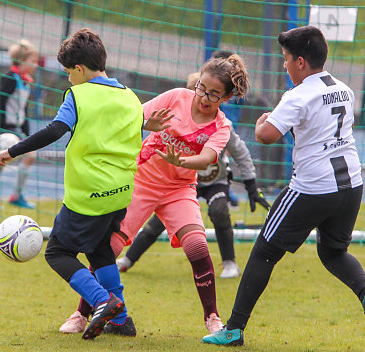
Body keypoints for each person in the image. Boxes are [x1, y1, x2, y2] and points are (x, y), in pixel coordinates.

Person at [202, 26, 365, 346]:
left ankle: (233, 329)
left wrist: (263, 120)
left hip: (311, 188)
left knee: (263, 252)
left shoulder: (298, 95)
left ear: (301, 62)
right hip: (351, 186)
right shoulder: (344, 89)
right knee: (333, 252)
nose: (283, 65)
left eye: (286, 59)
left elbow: (266, 136)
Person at [0, 28, 170, 341]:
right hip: (121, 193)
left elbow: (55, 130)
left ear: (79, 69)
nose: (68, 80)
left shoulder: (78, 94)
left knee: (58, 253)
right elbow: (132, 125)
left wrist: (12, 150)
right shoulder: (130, 96)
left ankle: (105, 301)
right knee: (101, 252)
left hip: (88, 194)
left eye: (67, 73)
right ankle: (122, 320)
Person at [59, 53, 250, 337]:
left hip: (179, 189)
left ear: (226, 96)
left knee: (197, 246)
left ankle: (212, 318)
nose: (204, 97)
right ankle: (81, 314)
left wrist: (181, 162)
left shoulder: (221, 126)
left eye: (214, 94)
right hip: (141, 180)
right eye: (201, 88)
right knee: (108, 249)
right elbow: (132, 117)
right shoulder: (175, 98)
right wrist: (145, 125)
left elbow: (208, 158)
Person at [114, 73, 271, 279]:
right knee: (156, 223)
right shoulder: (176, 108)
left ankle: (229, 263)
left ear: (221, 99)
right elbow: (140, 120)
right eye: (197, 92)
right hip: (179, 181)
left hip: (214, 181)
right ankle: (128, 259)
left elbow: (241, 153)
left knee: (219, 211)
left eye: (211, 95)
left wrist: (251, 186)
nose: (200, 100)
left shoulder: (222, 128)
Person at [0, 39, 39, 208]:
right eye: (33, 61)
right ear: (21, 61)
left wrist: (28, 134)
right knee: (27, 156)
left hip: (15, 127)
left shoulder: (26, 82)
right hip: (4, 127)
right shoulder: (10, 78)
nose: (36, 65)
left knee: (3, 160)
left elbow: (23, 110)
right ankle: (7, 197)